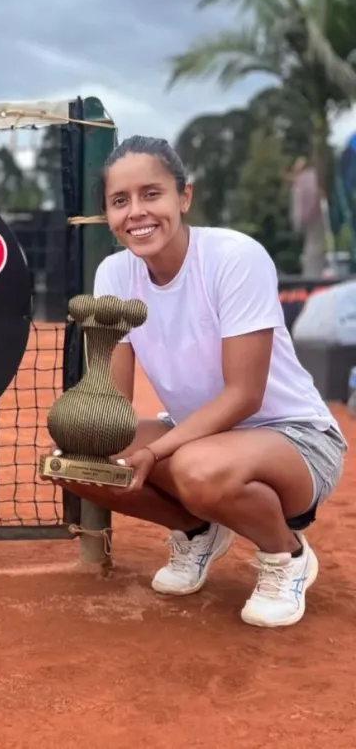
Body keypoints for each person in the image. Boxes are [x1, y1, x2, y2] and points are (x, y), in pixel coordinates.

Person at [48, 135, 347, 629]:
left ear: (183, 197)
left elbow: (244, 394)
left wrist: (156, 453)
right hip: (198, 436)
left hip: (295, 439)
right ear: (107, 213)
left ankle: (286, 556)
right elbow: (114, 407)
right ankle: (195, 530)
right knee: (78, 459)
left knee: (196, 468)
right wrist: (94, 433)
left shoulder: (234, 257)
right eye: (120, 201)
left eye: (152, 194)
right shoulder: (113, 274)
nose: (137, 212)